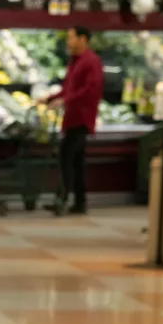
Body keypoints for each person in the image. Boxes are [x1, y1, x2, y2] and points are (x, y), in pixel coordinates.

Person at [46, 25, 103, 215]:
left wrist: (65, 100)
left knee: (66, 158)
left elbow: (89, 90)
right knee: (77, 162)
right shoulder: (75, 62)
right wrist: (51, 98)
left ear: (83, 40)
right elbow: (68, 88)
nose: (68, 42)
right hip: (71, 118)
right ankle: (80, 202)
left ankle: (61, 198)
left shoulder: (91, 62)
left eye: (71, 38)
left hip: (82, 119)